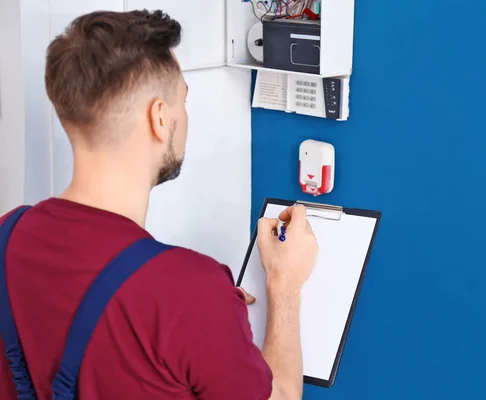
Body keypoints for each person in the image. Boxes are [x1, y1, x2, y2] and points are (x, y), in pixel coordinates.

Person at [0, 9, 318, 400]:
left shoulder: (6, 234)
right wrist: (284, 286)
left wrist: (205, 311)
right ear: (160, 119)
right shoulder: (189, 293)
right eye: (183, 100)